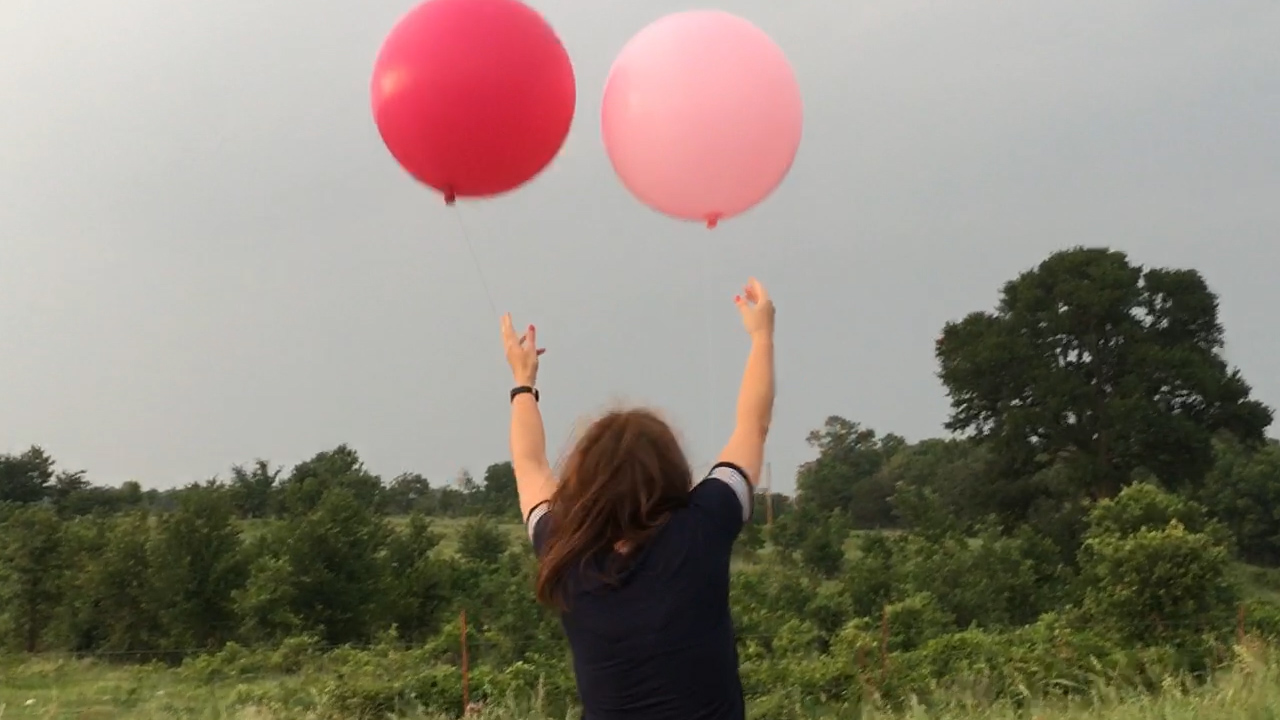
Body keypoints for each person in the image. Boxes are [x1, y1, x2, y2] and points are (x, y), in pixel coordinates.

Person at [499, 277, 776, 720]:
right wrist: (762, 336)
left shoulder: (565, 551)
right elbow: (752, 426)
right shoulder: (702, 528)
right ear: (669, 470)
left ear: (585, 478)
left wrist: (523, 382)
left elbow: (529, 465)